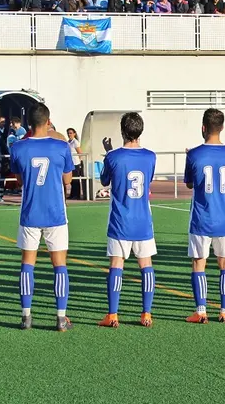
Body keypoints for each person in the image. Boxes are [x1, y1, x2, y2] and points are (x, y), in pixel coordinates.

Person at [9, 103, 75, 332]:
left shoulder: (18, 147)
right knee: (60, 266)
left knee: (27, 264)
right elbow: (68, 180)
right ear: (48, 122)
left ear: (28, 124)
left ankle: (26, 316)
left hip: (30, 212)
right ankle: (61, 317)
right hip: (55, 213)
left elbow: (18, 181)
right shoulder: (61, 146)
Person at [96, 113, 157, 328]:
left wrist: (108, 154)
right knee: (146, 265)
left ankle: (112, 315)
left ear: (122, 131)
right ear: (140, 131)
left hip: (120, 220)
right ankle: (146, 314)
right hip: (143, 220)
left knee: (116, 265)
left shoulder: (113, 157)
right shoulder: (150, 156)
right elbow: (147, 179)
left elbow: (104, 180)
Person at [184, 108, 225, 324]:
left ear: (203, 127)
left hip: (201, 218)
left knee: (199, 263)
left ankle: (200, 311)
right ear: (222, 127)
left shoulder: (194, 154)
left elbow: (190, 183)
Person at [66, 127, 84, 200]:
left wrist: (79, 162)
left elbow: (80, 153)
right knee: (72, 180)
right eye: (68, 133)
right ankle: (72, 194)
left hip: (75, 163)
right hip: (71, 163)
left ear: (74, 134)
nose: (69, 134)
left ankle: (77, 195)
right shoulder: (68, 142)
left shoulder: (75, 142)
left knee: (76, 180)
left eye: (70, 133)